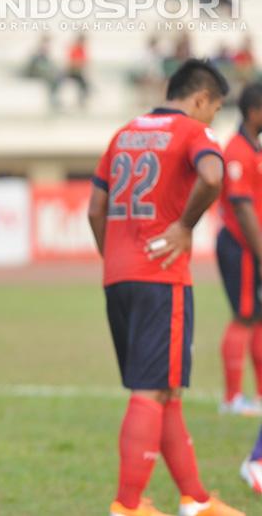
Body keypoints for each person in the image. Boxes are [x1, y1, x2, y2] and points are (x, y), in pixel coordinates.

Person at [88, 59, 243, 516]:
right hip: (161, 276)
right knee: (152, 390)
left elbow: (96, 208)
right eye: (214, 108)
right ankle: (129, 505)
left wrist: (114, 256)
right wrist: (182, 227)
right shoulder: (193, 132)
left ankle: (195, 499)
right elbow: (214, 176)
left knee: (166, 389)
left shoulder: (124, 134)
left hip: (120, 276)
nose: (212, 118)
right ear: (200, 99)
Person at [216, 84, 262, 418]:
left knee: (258, 319)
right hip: (242, 245)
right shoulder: (236, 151)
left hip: (253, 245)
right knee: (244, 316)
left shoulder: (253, 149)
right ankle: (232, 398)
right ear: (253, 111)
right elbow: (243, 208)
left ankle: (258, 395)